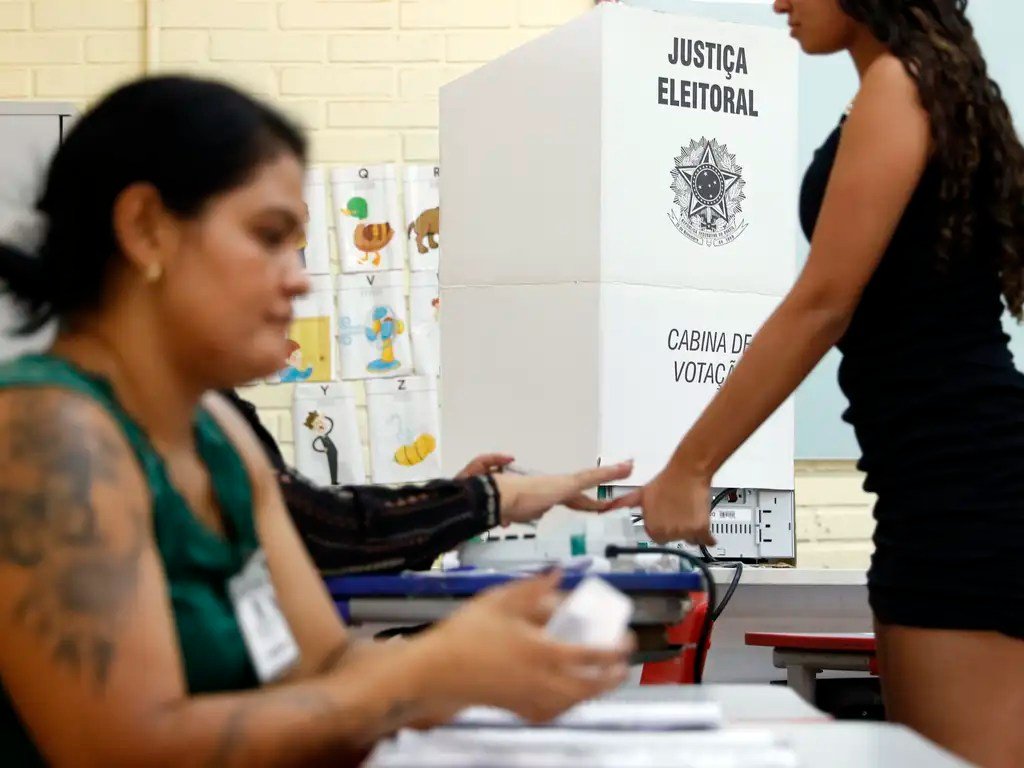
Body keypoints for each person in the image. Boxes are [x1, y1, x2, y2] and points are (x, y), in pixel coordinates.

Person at [0, 75, 635, 766]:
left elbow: (325, 668)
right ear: (146, 228)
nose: (300, 278)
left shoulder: (219, 432)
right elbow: (123, 750)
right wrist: (426, 673)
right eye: (269, 236)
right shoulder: (47, 435)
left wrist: (478, 662)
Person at [614, 1, 1024, 765]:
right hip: (929, 482)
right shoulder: (914, 85)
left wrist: (692, 466)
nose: (778, 2)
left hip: (965, 484)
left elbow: (821, 304)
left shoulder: (900, 85)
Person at [224, 389, 612, 576]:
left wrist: (459, 504)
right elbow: (322, 531)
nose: (297, 280)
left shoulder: (222, 414)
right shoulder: (201, 429)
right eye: (268, 237)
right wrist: (488, 497)